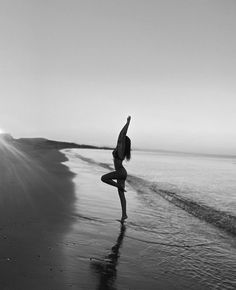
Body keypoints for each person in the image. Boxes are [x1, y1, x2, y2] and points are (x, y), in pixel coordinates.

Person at [101, 116, 131, 223]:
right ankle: (124, 215)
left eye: (122, 140)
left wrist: (128, 122)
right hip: (122, 172)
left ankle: (118, 185)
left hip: (120, 172)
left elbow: (122, 134)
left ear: (124, 142)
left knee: (103, 178)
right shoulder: (120, 149)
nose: (120, 140)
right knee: (121, 194)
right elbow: (121, 136)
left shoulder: (121, 149)